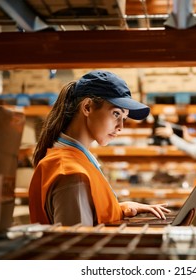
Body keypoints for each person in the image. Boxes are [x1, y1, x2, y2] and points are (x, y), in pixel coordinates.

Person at [29, 70, 171, 226]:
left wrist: (118, 209)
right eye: (116, 114)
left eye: (124, 118)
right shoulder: (71, 173)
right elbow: (77, 245)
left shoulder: (75, 161)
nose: (121, 127)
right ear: (88, 107)